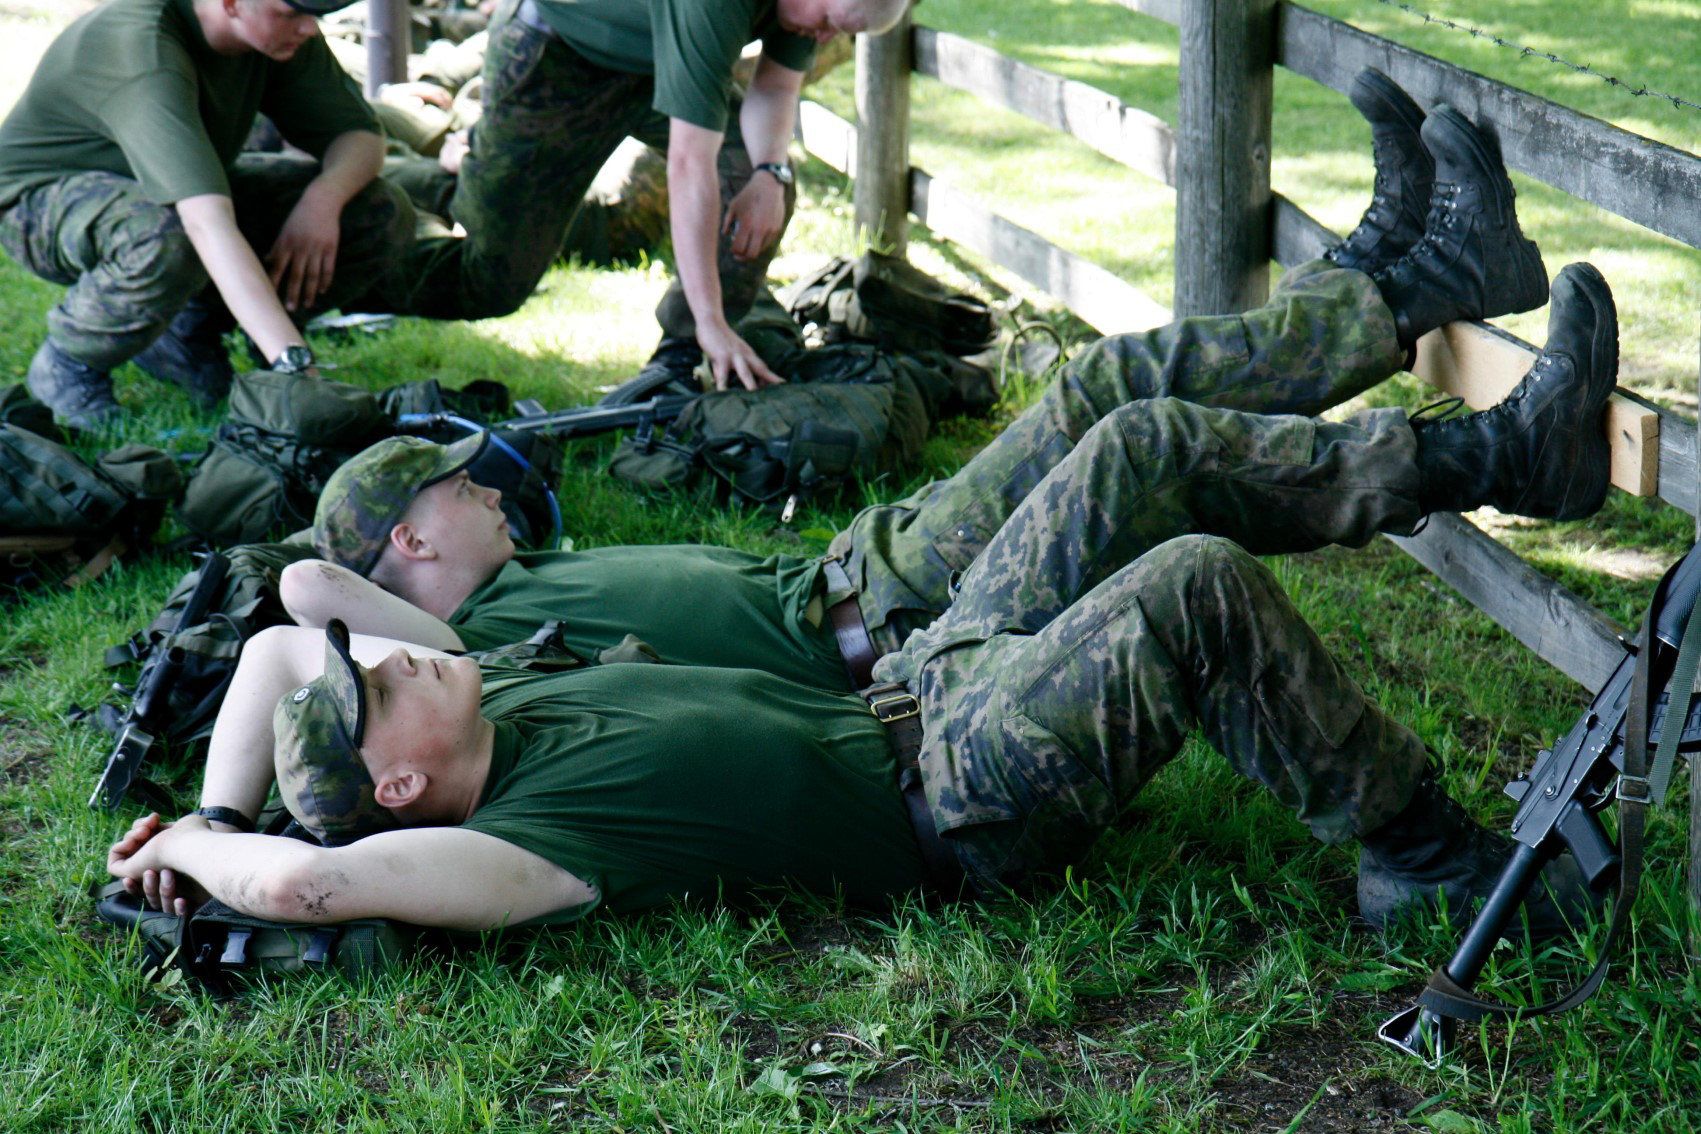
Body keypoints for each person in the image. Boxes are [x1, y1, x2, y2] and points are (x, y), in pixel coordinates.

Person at [105, 254, 1618, 940]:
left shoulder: (491, 684)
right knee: (1189, 584)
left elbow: (300, 611)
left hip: (928, 675)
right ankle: (1425, 856)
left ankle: (1494, 445)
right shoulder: (517, 849)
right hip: (946, 797)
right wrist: (218, 852)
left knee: (1123, 451)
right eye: (376, 686)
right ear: (398, 776)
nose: (388, 657)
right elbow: (318, 884)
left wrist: (220, 816)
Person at [284, 82, 1560, 693]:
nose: (492, 491)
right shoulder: (459, 657)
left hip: (878, 561)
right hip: (902, 620)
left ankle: (1402, 276)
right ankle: (1434, 328)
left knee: (1111, 385)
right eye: (460, 491)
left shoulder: (505, 593)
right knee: (1136, 430)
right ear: (404, 542)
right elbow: (303, 591)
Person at [379, 0, 912, 392]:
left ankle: (680, 363)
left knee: (749, 178)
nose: (823, 38)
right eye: (826, 23)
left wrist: (771, 172)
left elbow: (773, 88)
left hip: (657, 65)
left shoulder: (807, 9)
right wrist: (714, 318)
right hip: (558, 55)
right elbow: (687, 163)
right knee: (490, 278)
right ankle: (393, 173)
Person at [0, 0, 413, 426]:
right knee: (165, 234)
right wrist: (296, 366)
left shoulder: (276, 34)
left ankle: (186, 332)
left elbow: (360, 135)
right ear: (231, 4)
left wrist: (323, 200)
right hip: (39, 200)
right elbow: (204, 222)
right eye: (292, 13)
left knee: (377, 209)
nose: (310, 28)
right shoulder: (145, 45)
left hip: (172, 197)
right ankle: (69, 362)